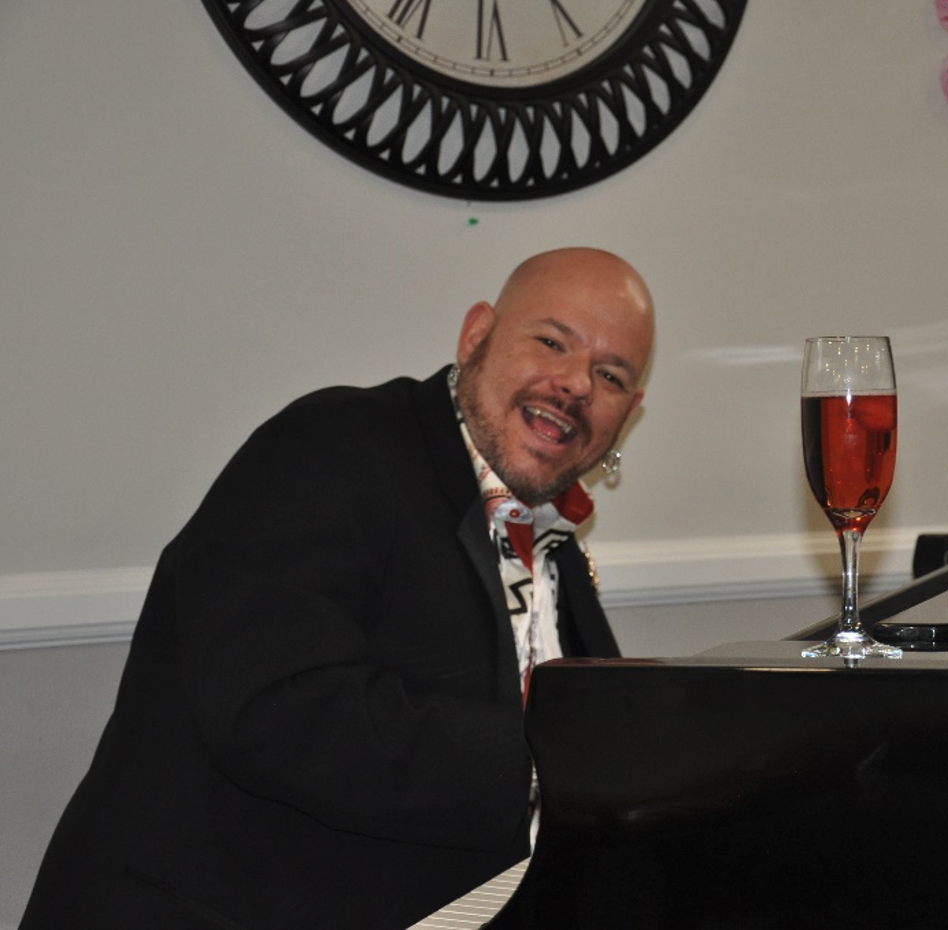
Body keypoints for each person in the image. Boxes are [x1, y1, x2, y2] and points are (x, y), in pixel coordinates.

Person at [20, 247, 656, 929]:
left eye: (609, 375)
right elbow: (280, 710)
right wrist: (549, 760)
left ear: (629, 413)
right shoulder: (334, 446)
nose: (574, 384)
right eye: (551, 341)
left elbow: (598, 735)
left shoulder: (547, 533)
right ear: (476, 335)